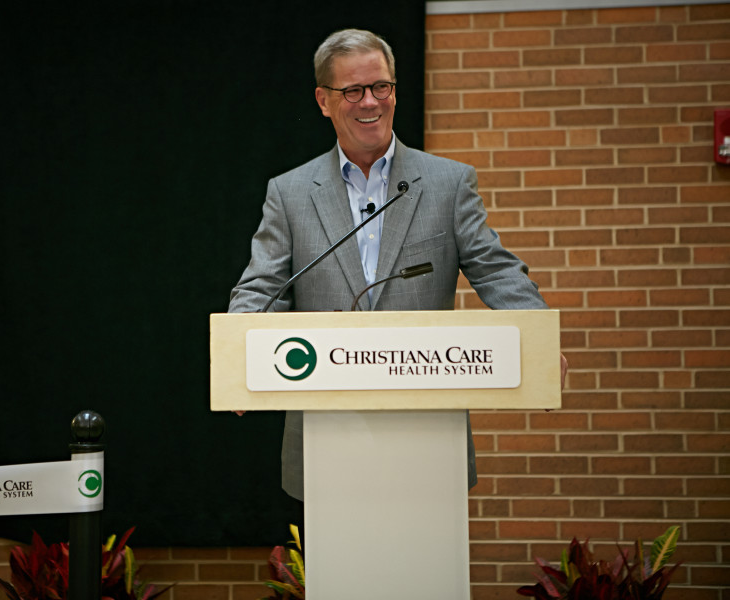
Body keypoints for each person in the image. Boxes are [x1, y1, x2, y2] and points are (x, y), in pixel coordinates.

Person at [229, 28, 567, 501]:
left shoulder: (448, 183)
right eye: (353, 91)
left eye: (380, 87)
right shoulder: (290, 193)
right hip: (329, 428)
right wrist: (236, 355)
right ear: (324, 101)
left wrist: (538, 341)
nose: (370, 102)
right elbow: (261, 287)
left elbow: (495, 269)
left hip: (426, 426)